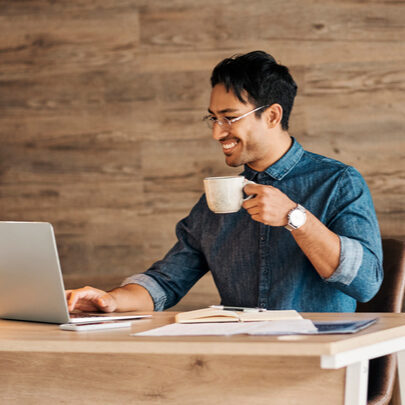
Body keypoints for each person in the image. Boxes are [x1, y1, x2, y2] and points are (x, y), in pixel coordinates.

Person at [67, 51, 383, 314]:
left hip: (319, 362)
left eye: (229, 117)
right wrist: (110, 300)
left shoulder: (337, 182)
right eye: (213, 118)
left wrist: (294, 217)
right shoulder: (218, 199)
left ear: (272, 116)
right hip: (241, 361)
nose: (217, 133)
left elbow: (366, 284)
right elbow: (166, 282)